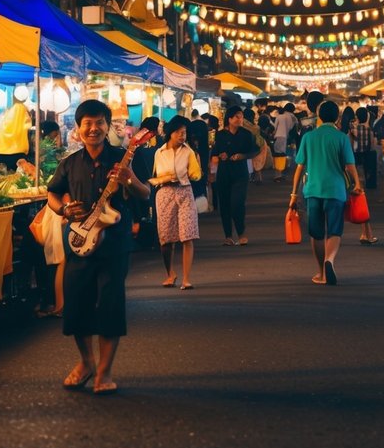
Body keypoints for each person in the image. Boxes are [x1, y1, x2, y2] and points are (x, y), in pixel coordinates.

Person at [47, 99, 150, 396]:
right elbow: (52, 195)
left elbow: (145, 194)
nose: (93, 129)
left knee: (109, 306)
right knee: (77, 306)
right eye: (87, 124)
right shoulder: (69, 163)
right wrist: (65, 210)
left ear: (108, 126)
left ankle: (104, 372)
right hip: (77, 242)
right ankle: (86, 362)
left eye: (99, 122)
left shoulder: (125, 158)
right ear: (79, 130)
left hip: (113, 245)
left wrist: (129, 180)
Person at [289, 101, 362, 285]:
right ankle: (330, 259)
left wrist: (293, 195)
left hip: (313, 190)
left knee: (316, 233)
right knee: (335, 231)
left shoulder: (309, 137)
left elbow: (299, 167)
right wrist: (357, 183)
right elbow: (350, 165)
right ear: (337, 117)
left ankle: (321, 272)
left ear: (319, 116)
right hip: (336, 190)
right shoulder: (341, 138)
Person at [150, 115, 201, 290]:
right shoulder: (159, 152)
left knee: (188, 235)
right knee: (166, 238)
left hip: (185, 192)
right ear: (171, 133)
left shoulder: (189, 152)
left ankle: (186, 278)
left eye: (184, 132)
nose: (182, 135)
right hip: (164, 194)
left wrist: (195, 168)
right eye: (179, 132)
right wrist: (164, 179)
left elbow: (195, 175)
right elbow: (155, 175)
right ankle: (170, 274)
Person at [211, 106, 259, 246]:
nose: (240, 119)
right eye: (237, 117)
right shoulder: (220, 135)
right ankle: (228, 236)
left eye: (241, 116)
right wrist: (219, 156)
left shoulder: (246, 134)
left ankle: (241, 233)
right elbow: (215, 153)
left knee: (237, 203)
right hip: (224, 173)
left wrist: (242, 156)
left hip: (240, 173)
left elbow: (254, 151)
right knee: (224, 205)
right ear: (229, 119)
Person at [349, 108, 379, 244]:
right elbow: (372, 146)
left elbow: (348, 147)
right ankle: (366, 234)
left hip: (355, 163)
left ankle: (365, 233)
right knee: (361, 198)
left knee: (359, 195)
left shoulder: (352, 131)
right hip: (366, 162)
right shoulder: (369, 130)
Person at [271, 103, 298, 182]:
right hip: (285, 137)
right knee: (282, 155)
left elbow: (275, 128)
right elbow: (291, 128)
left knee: (277, 156)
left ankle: (277, 175)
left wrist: (272, 135)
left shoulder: (279, 117)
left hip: (278, 137)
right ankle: (280, 174)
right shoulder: (292, 118)